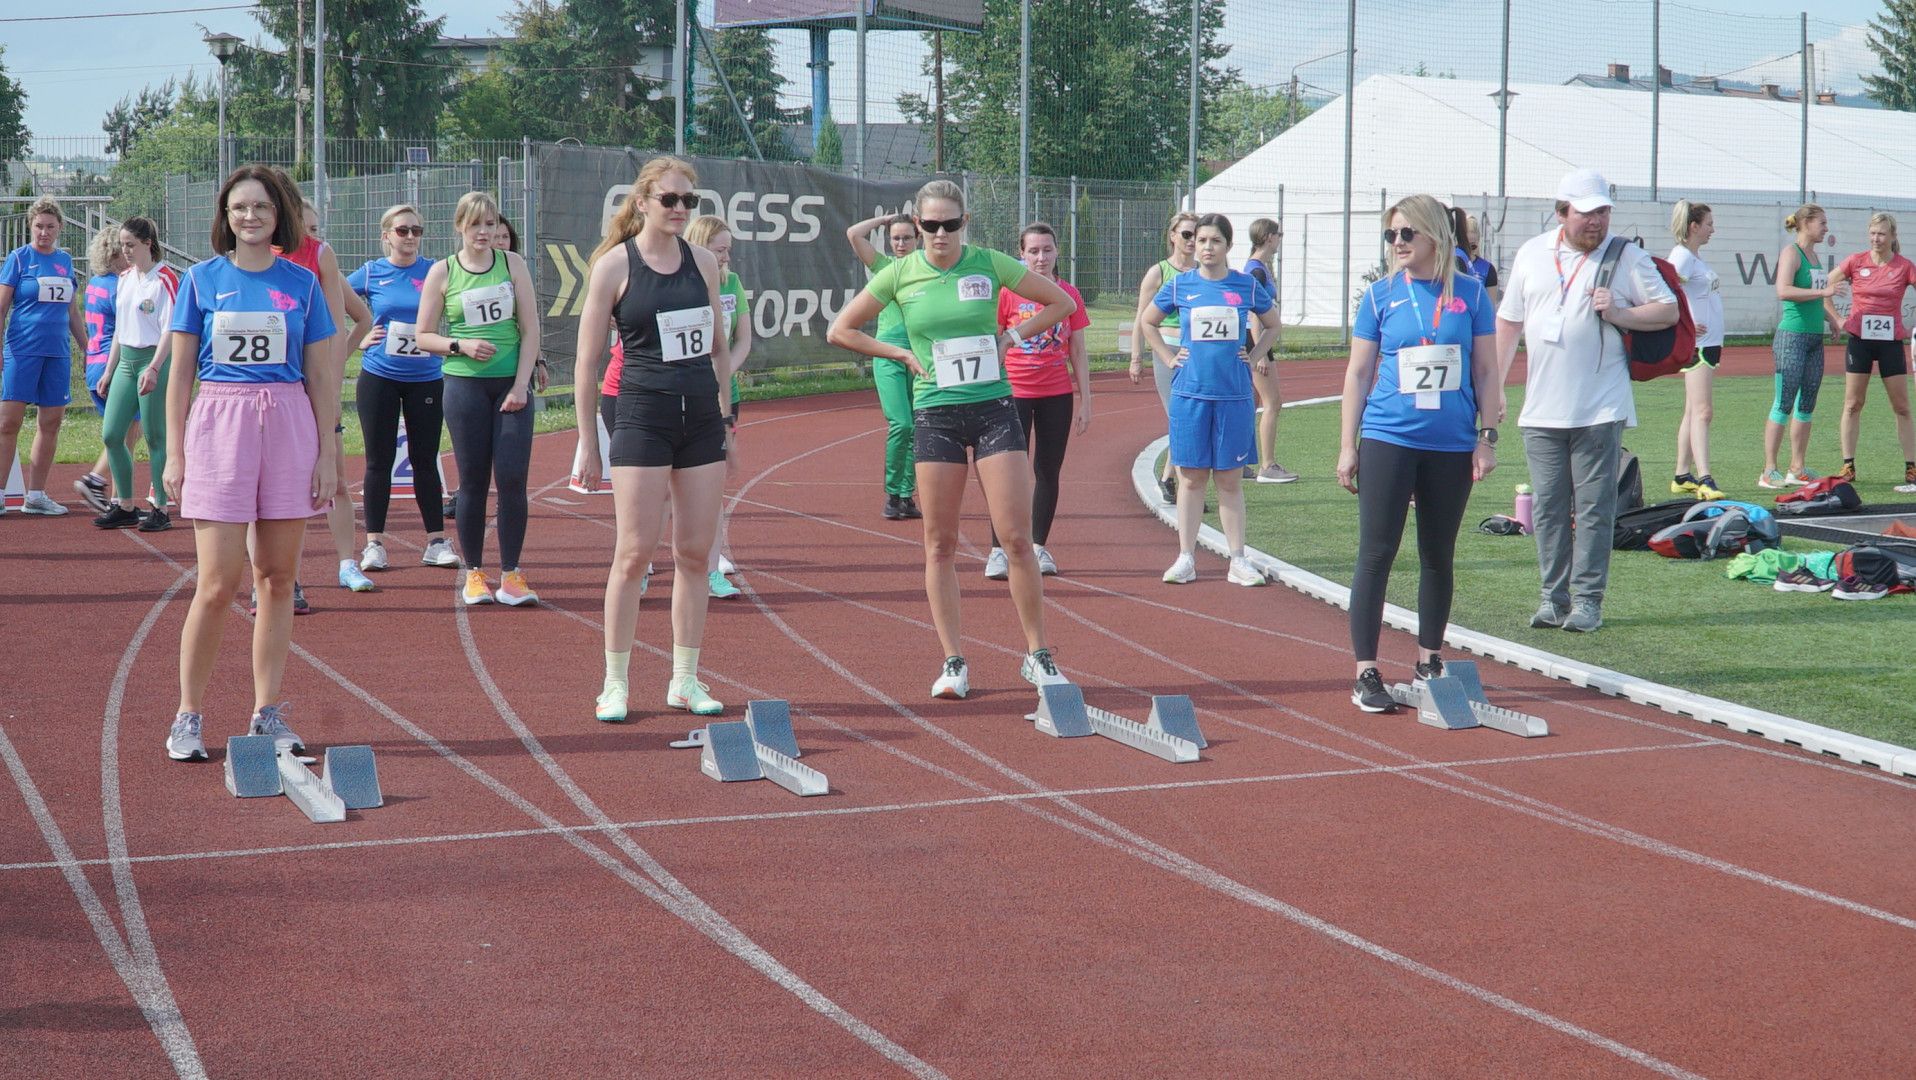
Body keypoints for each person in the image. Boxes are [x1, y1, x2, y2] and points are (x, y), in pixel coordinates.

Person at [828, 178, 1076, 699]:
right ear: (917, 224)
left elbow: (1060, 304)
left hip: (994, 409)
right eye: (930, 225)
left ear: (965, 223)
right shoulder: (899, 273)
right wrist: (899, 354)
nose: (940, 234)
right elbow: (840, 330)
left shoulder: (989, 264)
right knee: (939, 544)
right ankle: (954, 662)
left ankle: (1038, 656)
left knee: (1017, 540)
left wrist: (1011, 336)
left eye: (950, 224)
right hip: (936, 413)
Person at [161, 164, 339, 763]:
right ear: (225, 216)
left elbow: (321, 376)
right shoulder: (201, 280)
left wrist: (328, 452)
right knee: (217, 583)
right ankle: (188, 714)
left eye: (261, 206)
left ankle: (267, 711)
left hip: (288, 423)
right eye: (240, 207)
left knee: (277, 579)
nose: (251, 216)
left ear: (278, 214)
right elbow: (180, 375)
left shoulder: (303, 284)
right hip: (221, 422)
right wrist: (176, 453)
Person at [574, 157, 732, 722]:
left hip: (701, 420)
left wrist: (725, 416)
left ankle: (684, 679)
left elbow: (718, 348)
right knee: (634, 554)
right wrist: (588, 443)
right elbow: (586, 363)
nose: (681, 208)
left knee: (694, 553)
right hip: (641, 415)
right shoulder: (614, 266)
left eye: (689, 200)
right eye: (670, 199)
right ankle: (614, 683)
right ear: (642, 202)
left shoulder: (704, 263)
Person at [1494, 168, 1678, 633]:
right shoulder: (1532, 253)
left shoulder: (1626, 255)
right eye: (1586, 213)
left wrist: (1618, 313)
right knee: (1548, 508)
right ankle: (1552, 599)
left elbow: (1668, 310)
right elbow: (1509, 323)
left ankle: (1588, 602)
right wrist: (1493, 387)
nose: (1597, 221)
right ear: (1562, 212)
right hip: (1541, 409)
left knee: (1595, 509)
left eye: (1603, 212)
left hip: (1600, 407)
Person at [1338, 195, 1500, 713]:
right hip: (1388, 436)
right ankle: (1366, 672)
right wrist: (1347, 446)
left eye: (1407, 233)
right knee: (1376, 552)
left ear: (1435, 235)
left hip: (1451, 443)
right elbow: (1358, 374)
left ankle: (1430, 660)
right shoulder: (1380, 295)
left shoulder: (1471, 293)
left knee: (1437, 553)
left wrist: (1487, 436)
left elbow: (1487, 371)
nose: (1398, 243)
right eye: (1392, 235)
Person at [415, 190, 542, 607]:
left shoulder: (512, 264)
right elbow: (423, 336)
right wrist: (460, 345)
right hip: (464, 385)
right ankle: (474, 573)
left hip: (510, 386)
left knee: (512, 478)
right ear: (460, 227)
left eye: (490, 224)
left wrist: (521, 384)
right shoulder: (443, 272)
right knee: (472, 481)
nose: (484, 232)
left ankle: (512, 574)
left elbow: (530, 329)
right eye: (475, 225)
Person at [1141, 213, 1280, 587]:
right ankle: (1186, 557)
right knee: (1190, 479)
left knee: (1230, 480)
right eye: (1200, 240)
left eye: (1215, 241)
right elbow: (1148, 321)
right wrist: (1168, 357)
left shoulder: (1245, 285)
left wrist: (1254, 355)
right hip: (1190, 394)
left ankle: (1238, 559)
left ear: (1228, 246)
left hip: (1234, 395)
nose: (1206, 247)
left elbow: (1273, 324)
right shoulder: (1180, 285)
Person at [345, 204, 458, 571]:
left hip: (426, 377)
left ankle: (436, 541)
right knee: (378, 462)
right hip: (380, 375)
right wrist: (358, 338)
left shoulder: (437, 271)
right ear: (387, 236)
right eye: (402, 230)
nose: (410, 237)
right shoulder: (371, 273)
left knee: (426, 461)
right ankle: (374, 544)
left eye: (416, 230)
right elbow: (330, 297)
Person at [984, 222, 1091, 579]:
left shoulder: (1069, 294)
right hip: (1012, 394)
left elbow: (1077, 349)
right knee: (1006, 474)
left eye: (1047, 250)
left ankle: (1038, 546)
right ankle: (998, 550)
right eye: (1033, 251)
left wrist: (1086, 400)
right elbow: (993, 339)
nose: (1041, 257)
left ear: (1057, 252)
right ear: (1022, 254)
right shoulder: (1008, 293)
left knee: (1047, 471)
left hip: (1056, 394)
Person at [0, 196, 87, 516]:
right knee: (8, 422)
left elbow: (73, 312)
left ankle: (35, 495)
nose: (44, 232)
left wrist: (86, 348)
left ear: (59, 228)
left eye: (50, 227)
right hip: (21, 351)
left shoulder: (64, 261)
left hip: (57, 354)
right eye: (38, 226)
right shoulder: (19, 259)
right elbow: (1, 307)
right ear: (30, 227)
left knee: (51, 422)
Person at [92, 216, 179, 531]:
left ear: (147, 244)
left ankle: (160, 508)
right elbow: (120, 328)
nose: (125, 251)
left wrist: (154, 367)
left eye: (130, 245)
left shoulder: (165, 279)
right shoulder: (125, 277)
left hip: (153, 360)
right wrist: (109, 370)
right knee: (112, 434)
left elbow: (170, 329)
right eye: (122, 245)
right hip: (126, 363)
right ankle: (126, 505)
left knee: (155, 436)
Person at [684, 213, 753, 598]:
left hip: (724, 395)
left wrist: (724, 370)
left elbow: (743, 339)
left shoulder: (733, 283)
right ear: (700, 247)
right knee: (666, 491)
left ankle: (711, 571)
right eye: (720, 250)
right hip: (683, 391)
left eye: (729, 250)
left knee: (712, 488)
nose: (726, 257)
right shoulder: (678, 282)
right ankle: (643, 564)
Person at [1823, 212, 1916, 492]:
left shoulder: (1904, 266)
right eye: (1873, 233)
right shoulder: (1856, 261)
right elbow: (1824, 287)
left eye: (1882, 234)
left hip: (1890, 343)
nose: (1876, 239)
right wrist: (1836, 319)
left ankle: (1911, 467)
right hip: (1860, 341)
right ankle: (1848, 465)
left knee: (1901, 406)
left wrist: (1911, 327)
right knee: (1853, 403)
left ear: (1892, 236)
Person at [845, 212, 923, 520]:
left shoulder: (926, 270)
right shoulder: (884, 267)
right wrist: (885, 220)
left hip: (920, 356)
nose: (901, 244)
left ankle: (907, 495)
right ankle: (892, 494)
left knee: (917, 426)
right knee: (901, 423)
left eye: (907, 238)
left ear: (918, 239)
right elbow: (853, 233)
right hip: (888, 353)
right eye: (896, 238)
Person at [1760, 204, 1838, 489]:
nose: (1826, 228)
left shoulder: (1814, 256)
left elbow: (1815, 299)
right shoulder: (1791, 253)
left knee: (1807, 404)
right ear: (1805, 223)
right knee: (1783, 402)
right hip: (1792, 338)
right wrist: (1823, 291)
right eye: (1822, 223)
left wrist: (1832, 319)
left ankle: (1797, 467)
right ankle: (1769, 470)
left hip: (1814, 340)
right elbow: (1783, 291)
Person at [1130, 211, 1200, 503]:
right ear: (1172, 236)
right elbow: (1141, 318)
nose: (1192, 240)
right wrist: (1136, 357)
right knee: (1180, 418)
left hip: (1198, 352)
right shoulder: (1159, 272)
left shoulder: (1204, 271)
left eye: (1197, 235)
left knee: (1191, 419)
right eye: (1186, 234)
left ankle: (1169, 477)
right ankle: (1183, 487)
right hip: (1167, 351)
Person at [1667, 200, 1725, 501]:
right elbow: (1664, 289)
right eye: (1708, 224)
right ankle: (1705, 478)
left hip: (1708, 344)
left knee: (1693, 410)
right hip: (1697, 346)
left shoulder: (1693, 257)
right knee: (1703, 411)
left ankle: (1682, 475)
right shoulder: (1681, 257)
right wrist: (1683, 323)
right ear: (1694, 226)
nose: (1713, 229)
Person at [74, 229, 130, 514]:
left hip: (94, 362)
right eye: (126, 250)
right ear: (115, 254)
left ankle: (121, 500)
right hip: (114, 364)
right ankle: (96, 479)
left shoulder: (95, 283)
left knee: (122, 434)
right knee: (126, 434)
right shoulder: (120, 286)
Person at [1242, 217, 1296, 484]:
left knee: (1249, 404)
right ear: (1268, 237)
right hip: (1258, 341)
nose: (1280, 240)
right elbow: (1253, 313)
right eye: (1278, 235)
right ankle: (1268, 465)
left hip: (1258, 340)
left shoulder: (1260, 267)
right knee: (1273, 403)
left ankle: (1239, 461)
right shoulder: (1256, 271)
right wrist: (1260, 354)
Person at [1464, 215, 1501, 303]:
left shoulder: (1488, 269)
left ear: (1478, 242)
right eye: (1465, 245)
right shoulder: (1451, 265)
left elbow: (1490, 305)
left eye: (1473, 246)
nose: (1469, 250)